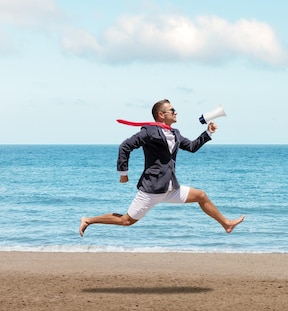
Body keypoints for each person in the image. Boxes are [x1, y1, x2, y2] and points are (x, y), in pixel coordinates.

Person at [79, 99, 244, 237]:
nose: (176, 112)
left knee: (201, 195)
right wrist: (124, 173)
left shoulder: (175, 133)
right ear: (161, 115)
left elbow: (192, 147)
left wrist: (207, 133)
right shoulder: (149, 131)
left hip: (170, 187)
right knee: (126, 221)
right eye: (172, 110)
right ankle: (88, 220)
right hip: (151, 190)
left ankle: (226, 224)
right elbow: (125, 146)